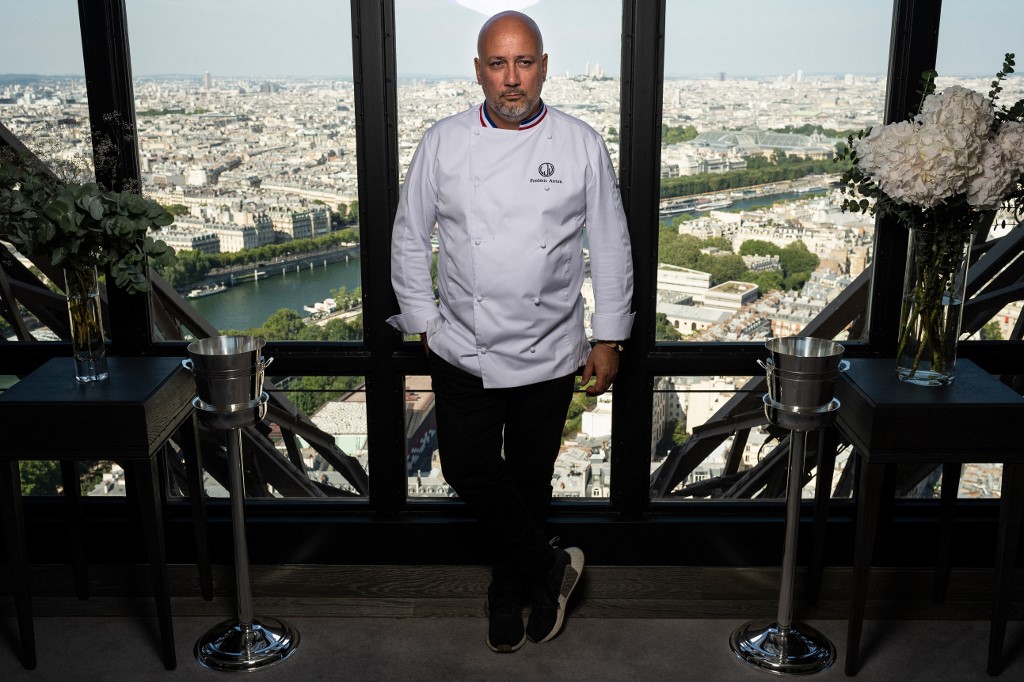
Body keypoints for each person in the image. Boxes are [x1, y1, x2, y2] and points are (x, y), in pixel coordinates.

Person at [387, 10, 634, 653]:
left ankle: (508, 587)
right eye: (498, 64)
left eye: (524, 62)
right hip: (461, 342)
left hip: (551, 344)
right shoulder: (442, 142)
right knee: (468, 467)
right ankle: (549, 567)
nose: (512, 78)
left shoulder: (580, 142)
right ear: (478, 70)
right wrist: (422, 323)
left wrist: (608, 337)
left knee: (529, 477)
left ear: (545, 66)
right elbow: (411, 238)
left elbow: (610, 242)